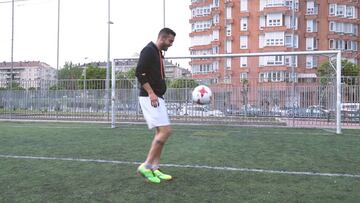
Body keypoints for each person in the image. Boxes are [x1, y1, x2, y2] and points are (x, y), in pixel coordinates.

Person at [135, 28, 176, 184]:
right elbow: (139, 72)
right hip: (150, 97)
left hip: (158, 97)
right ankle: (146, 166)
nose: (171, 44)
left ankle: (155, 168)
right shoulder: (149, 50)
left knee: (162, 132)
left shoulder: (158, 53)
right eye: (170, 41)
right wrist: (151, 93)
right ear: (162, 38)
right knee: (166, 131)